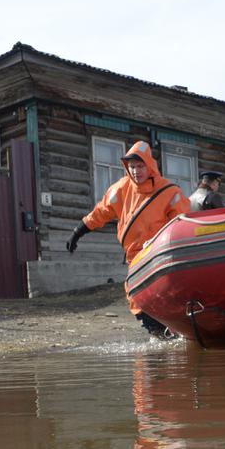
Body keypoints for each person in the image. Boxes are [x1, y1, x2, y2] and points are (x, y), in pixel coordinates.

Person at [65, 141, 190, 337]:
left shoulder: (169, 191)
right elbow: (101, 212)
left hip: (161, 253)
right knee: (135, 295)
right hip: (135, 256)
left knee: (167, 293)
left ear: (149, 165)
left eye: (140, 166)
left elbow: (181, 220)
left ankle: (180, 329)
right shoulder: (120, 189)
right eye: (132, 166)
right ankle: (158, 333)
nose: (135, 171)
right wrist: (78, 231)